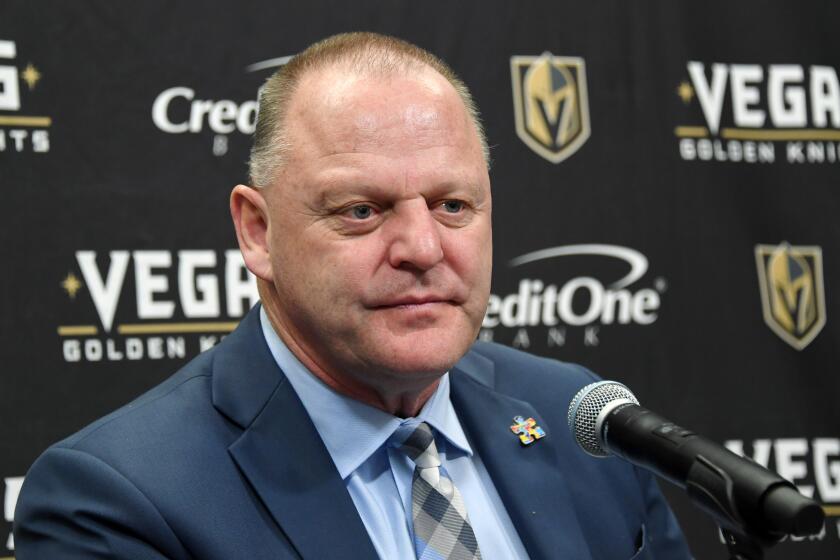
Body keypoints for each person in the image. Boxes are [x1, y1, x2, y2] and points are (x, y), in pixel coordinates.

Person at [14, 32, 691, 559]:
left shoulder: (581, 420)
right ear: (258, 232)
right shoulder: (115, 499)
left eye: (452, 204)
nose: (423, 248)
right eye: (362, 211)